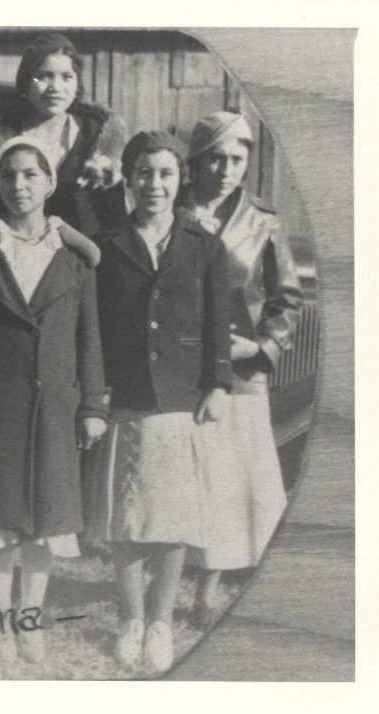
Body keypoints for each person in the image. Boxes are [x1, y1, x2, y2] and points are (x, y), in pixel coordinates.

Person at [0, 137, 107, 664]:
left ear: (49, 183)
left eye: (31, 175)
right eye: (10, 175)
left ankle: (30, 621)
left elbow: (89, 338)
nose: (20, 185)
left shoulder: (73, 255)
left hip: (58, 406)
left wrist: (92, 407)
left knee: (47, 521)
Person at [85, 130, 231, 674]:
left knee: (170, 517)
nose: (155, 184)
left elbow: (219, 322)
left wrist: (217, 382)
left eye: (166, 173)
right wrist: (96, 392)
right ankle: (130, 619)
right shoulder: (107, 245)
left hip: (180, 397)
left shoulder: (204, 246)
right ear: (129, 177)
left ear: (180, 179)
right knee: (126, 516)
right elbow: (94, 328)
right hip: (126, 395)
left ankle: (162, 622)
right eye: (144, 172)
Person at [178, 111, 302, 629]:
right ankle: (162, 579)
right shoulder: (171, 207)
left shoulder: (262, 222)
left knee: (229, 483)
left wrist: (260, 346)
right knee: (185, 478)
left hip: (241, 374)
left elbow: (286, 299)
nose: (226, 169)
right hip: (180, 368)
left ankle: (207, 591)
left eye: (237, 159)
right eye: (216, 157)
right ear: (196, 160)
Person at [0, 33, 127, 231]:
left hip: (83, 254)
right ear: (26, 80)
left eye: (67, 77)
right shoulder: (0, 138)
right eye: (43, 76)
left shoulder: (96, 139)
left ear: (77, 83)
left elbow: (115, 220)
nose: (56, 88)